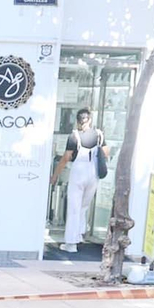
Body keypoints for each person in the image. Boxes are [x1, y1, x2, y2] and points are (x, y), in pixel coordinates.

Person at [51, 108, 108, 252]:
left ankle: (71, 243)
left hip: (78, 173)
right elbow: (106, 152)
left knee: (74, 208)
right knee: (84, 206)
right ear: (90, 120)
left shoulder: (74, 136)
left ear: (77, 121)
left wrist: (55, 175)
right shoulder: (99, 134)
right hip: (93, 173)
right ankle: (79, 235)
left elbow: (66, 158)